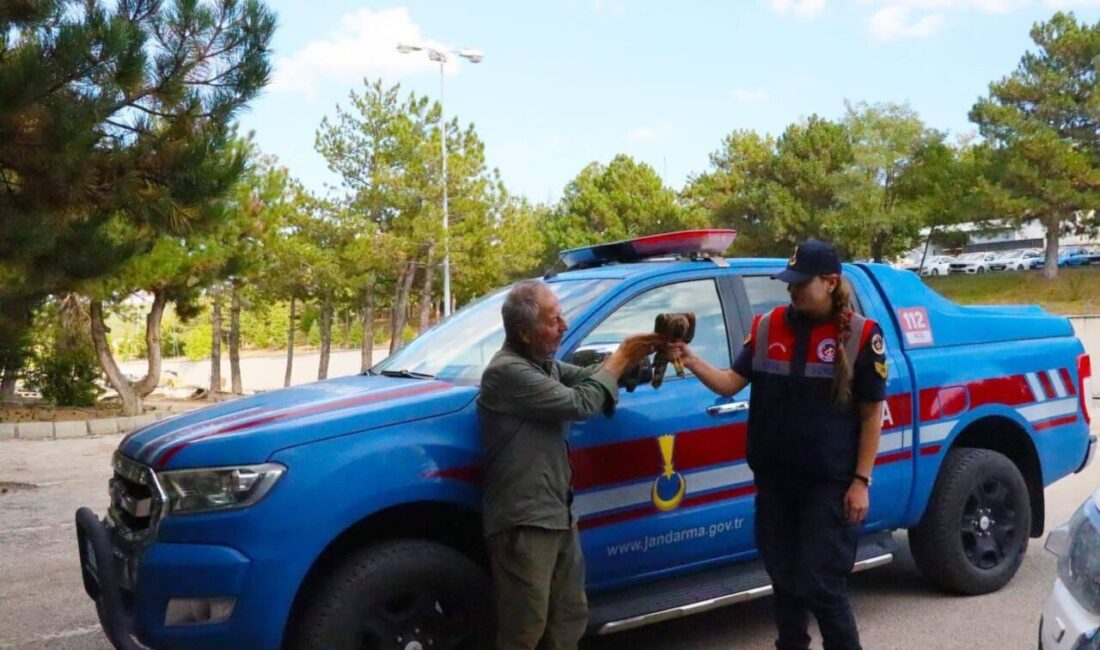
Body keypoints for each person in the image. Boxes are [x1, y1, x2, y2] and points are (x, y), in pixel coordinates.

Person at [669, 240, 886, 650]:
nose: (793, 289)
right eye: (789, 282)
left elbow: (871, 414)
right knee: (784, 583)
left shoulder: (862, 335)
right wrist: (690, 358)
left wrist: (861, 481)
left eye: (802, 283)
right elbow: (730, 383)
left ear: (830, 282)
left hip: (829, 486)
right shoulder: (767, 326)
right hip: (775, 484)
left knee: (823, 587)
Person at [478, 280, 660, 650]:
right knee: (524, 629)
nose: (563, 325)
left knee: (568, 619)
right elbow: (582, 404)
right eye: (553, 320)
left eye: (561, 316)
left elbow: (593, 378)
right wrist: (622, 354)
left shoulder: (544, 366)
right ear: (526, 333)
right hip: (525, 523)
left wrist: (642, 360)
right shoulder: (507, 372)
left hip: (557, 515)